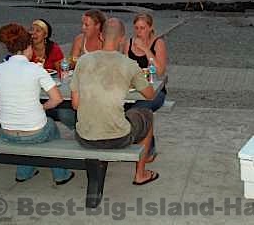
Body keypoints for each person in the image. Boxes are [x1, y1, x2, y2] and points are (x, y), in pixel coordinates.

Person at [71, 18, 159, 185]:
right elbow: (150, 95)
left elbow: (75, 104)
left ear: (101, 37)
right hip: (117, 138)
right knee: (146, 114)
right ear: (122, 39)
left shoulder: (83, 61)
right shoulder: (129, 65)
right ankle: (140, 173)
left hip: (84, 136)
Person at [0, 23, 74, 185]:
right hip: (33, 132)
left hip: (6, 132)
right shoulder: (36, 70)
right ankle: (61, 174)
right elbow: (57, 99)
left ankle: (24, 171)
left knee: (29, 132)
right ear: (28, 46)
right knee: (51, 129)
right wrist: (41, 107)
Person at [30, 19, 75, 130]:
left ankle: (74, 129)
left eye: (38, 31)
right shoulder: (27, 48)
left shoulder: (53, 48)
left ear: (45, 34)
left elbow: (61, 70)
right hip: (31, 88)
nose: (33, 33)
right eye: (32, 30)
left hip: (51, 88)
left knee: (66, 116)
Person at [124, 13, 168, 112]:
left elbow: (160, 72)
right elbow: (125, 68)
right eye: (136, 28)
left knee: (138, 110)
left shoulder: (158, 43)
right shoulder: (129, 43)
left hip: (154, 90)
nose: (139, 32)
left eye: (142, 28)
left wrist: (145, 49)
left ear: (150, 28)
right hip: (133, 88)